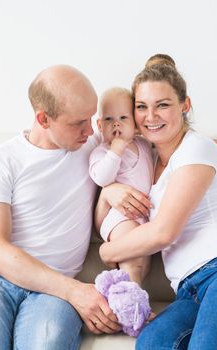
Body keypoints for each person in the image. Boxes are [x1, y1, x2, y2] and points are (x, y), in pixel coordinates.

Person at [98, 54, 217, 350]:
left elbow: (163, 232)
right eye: (142, 107)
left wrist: (107, 251)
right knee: (150, 344)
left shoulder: (198, 147)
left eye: (163, 105)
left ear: (185, 106)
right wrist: (109, 190)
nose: (151, 116)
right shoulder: (145, 160)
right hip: (189, 292)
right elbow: (101, 201)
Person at [0, 65, 124, 350]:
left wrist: (206, 148)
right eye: (79, 122)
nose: (90, 130)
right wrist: (76, 292)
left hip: (52, 294)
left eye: (91, 118)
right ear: (43, 118)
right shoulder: (0, 161)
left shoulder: (91, 145)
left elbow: (154, 137)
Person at [89, 87, 153, 285]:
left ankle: (124, 292)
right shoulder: (101, 152)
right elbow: (102, 178)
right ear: (100, 125)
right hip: (118, 217)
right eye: (108, 119)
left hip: (144, 217)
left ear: (135, 123)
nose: (116, 123)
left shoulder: (144, 145)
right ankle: (132, 303)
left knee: (143, 265)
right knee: (132, 262)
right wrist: (115, 151)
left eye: (123, 117)